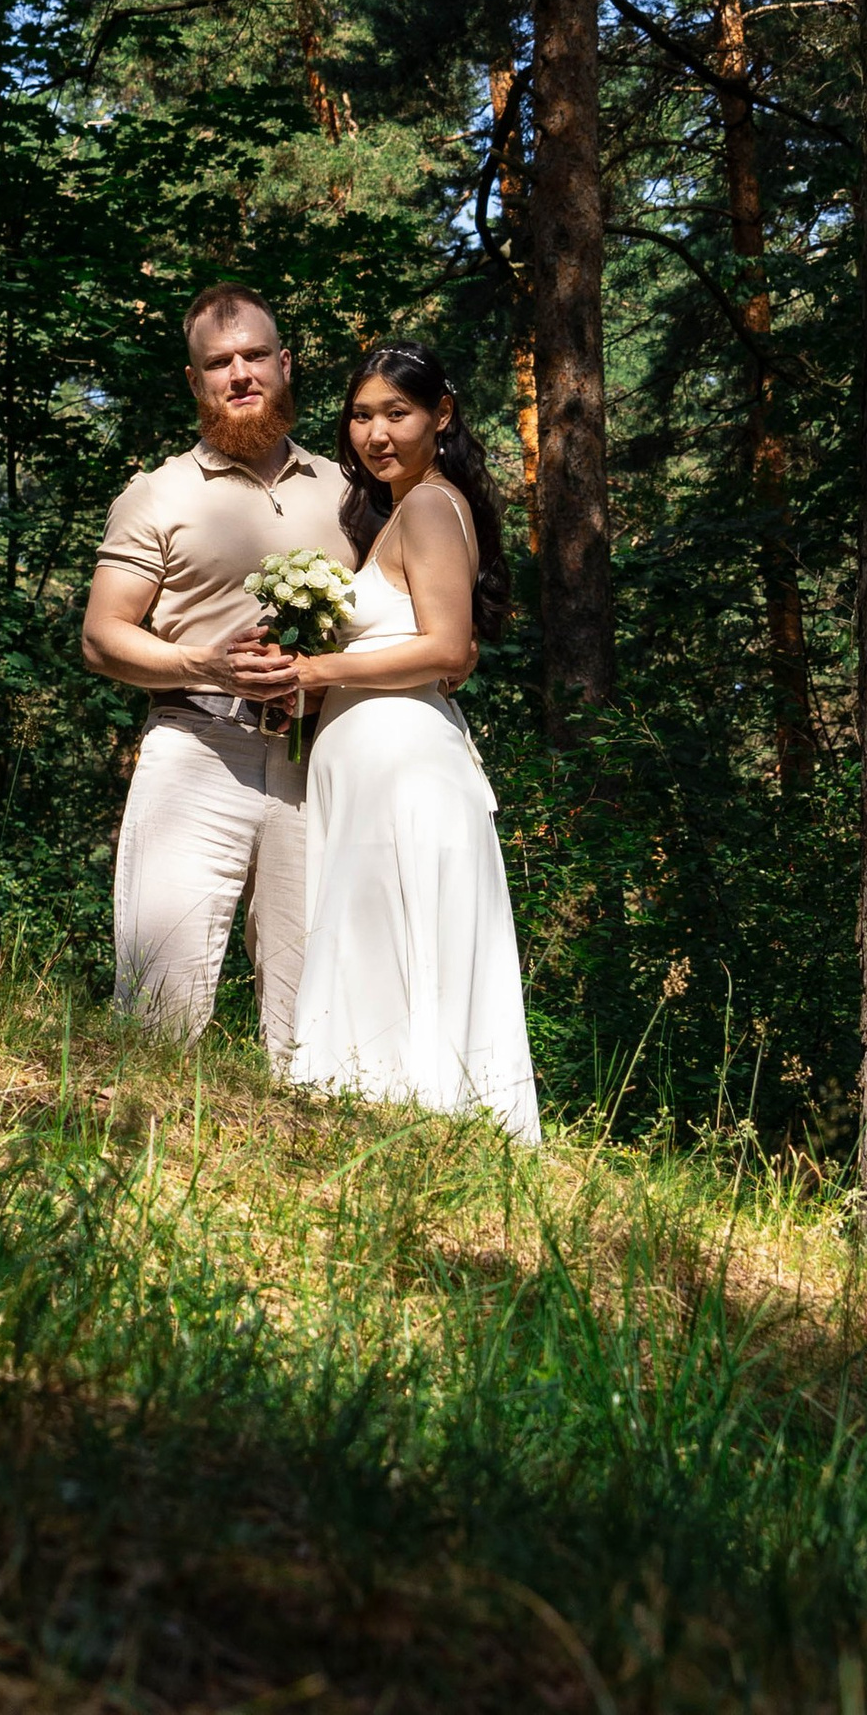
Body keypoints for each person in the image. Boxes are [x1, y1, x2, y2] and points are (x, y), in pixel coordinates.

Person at [80, 285, 360, 1063]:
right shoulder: (157, 492)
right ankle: (138, 1134)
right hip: (196, 754)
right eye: (218, 363)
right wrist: (204, 663)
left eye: (255, 356)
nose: (240, 374)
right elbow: (101, 638)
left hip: (318, 762)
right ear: (194, 380)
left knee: (317, 1020)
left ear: (285, 364)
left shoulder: (348, 491)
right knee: (159, 1007)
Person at [273, 338, 540, 1139]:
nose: (376, 434)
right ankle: (388, 1128)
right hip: (376, 770)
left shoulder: (427, 506)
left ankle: (404, 1124)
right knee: (377, 940)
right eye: (361, 416)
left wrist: (316, 669)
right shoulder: (406, 511)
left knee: (396, 937)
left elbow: (447, 649)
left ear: (441, 414)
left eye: (398, 413)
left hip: (404, 771)